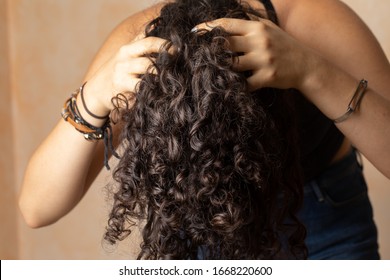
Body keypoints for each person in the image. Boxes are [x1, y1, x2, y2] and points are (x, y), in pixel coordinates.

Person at [19, 0, 390, 259]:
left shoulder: (312, 19)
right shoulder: (139, 44)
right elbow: (37, 209)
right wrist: (97, 95)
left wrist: (312, 71)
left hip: (323, 225)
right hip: (197, 233)